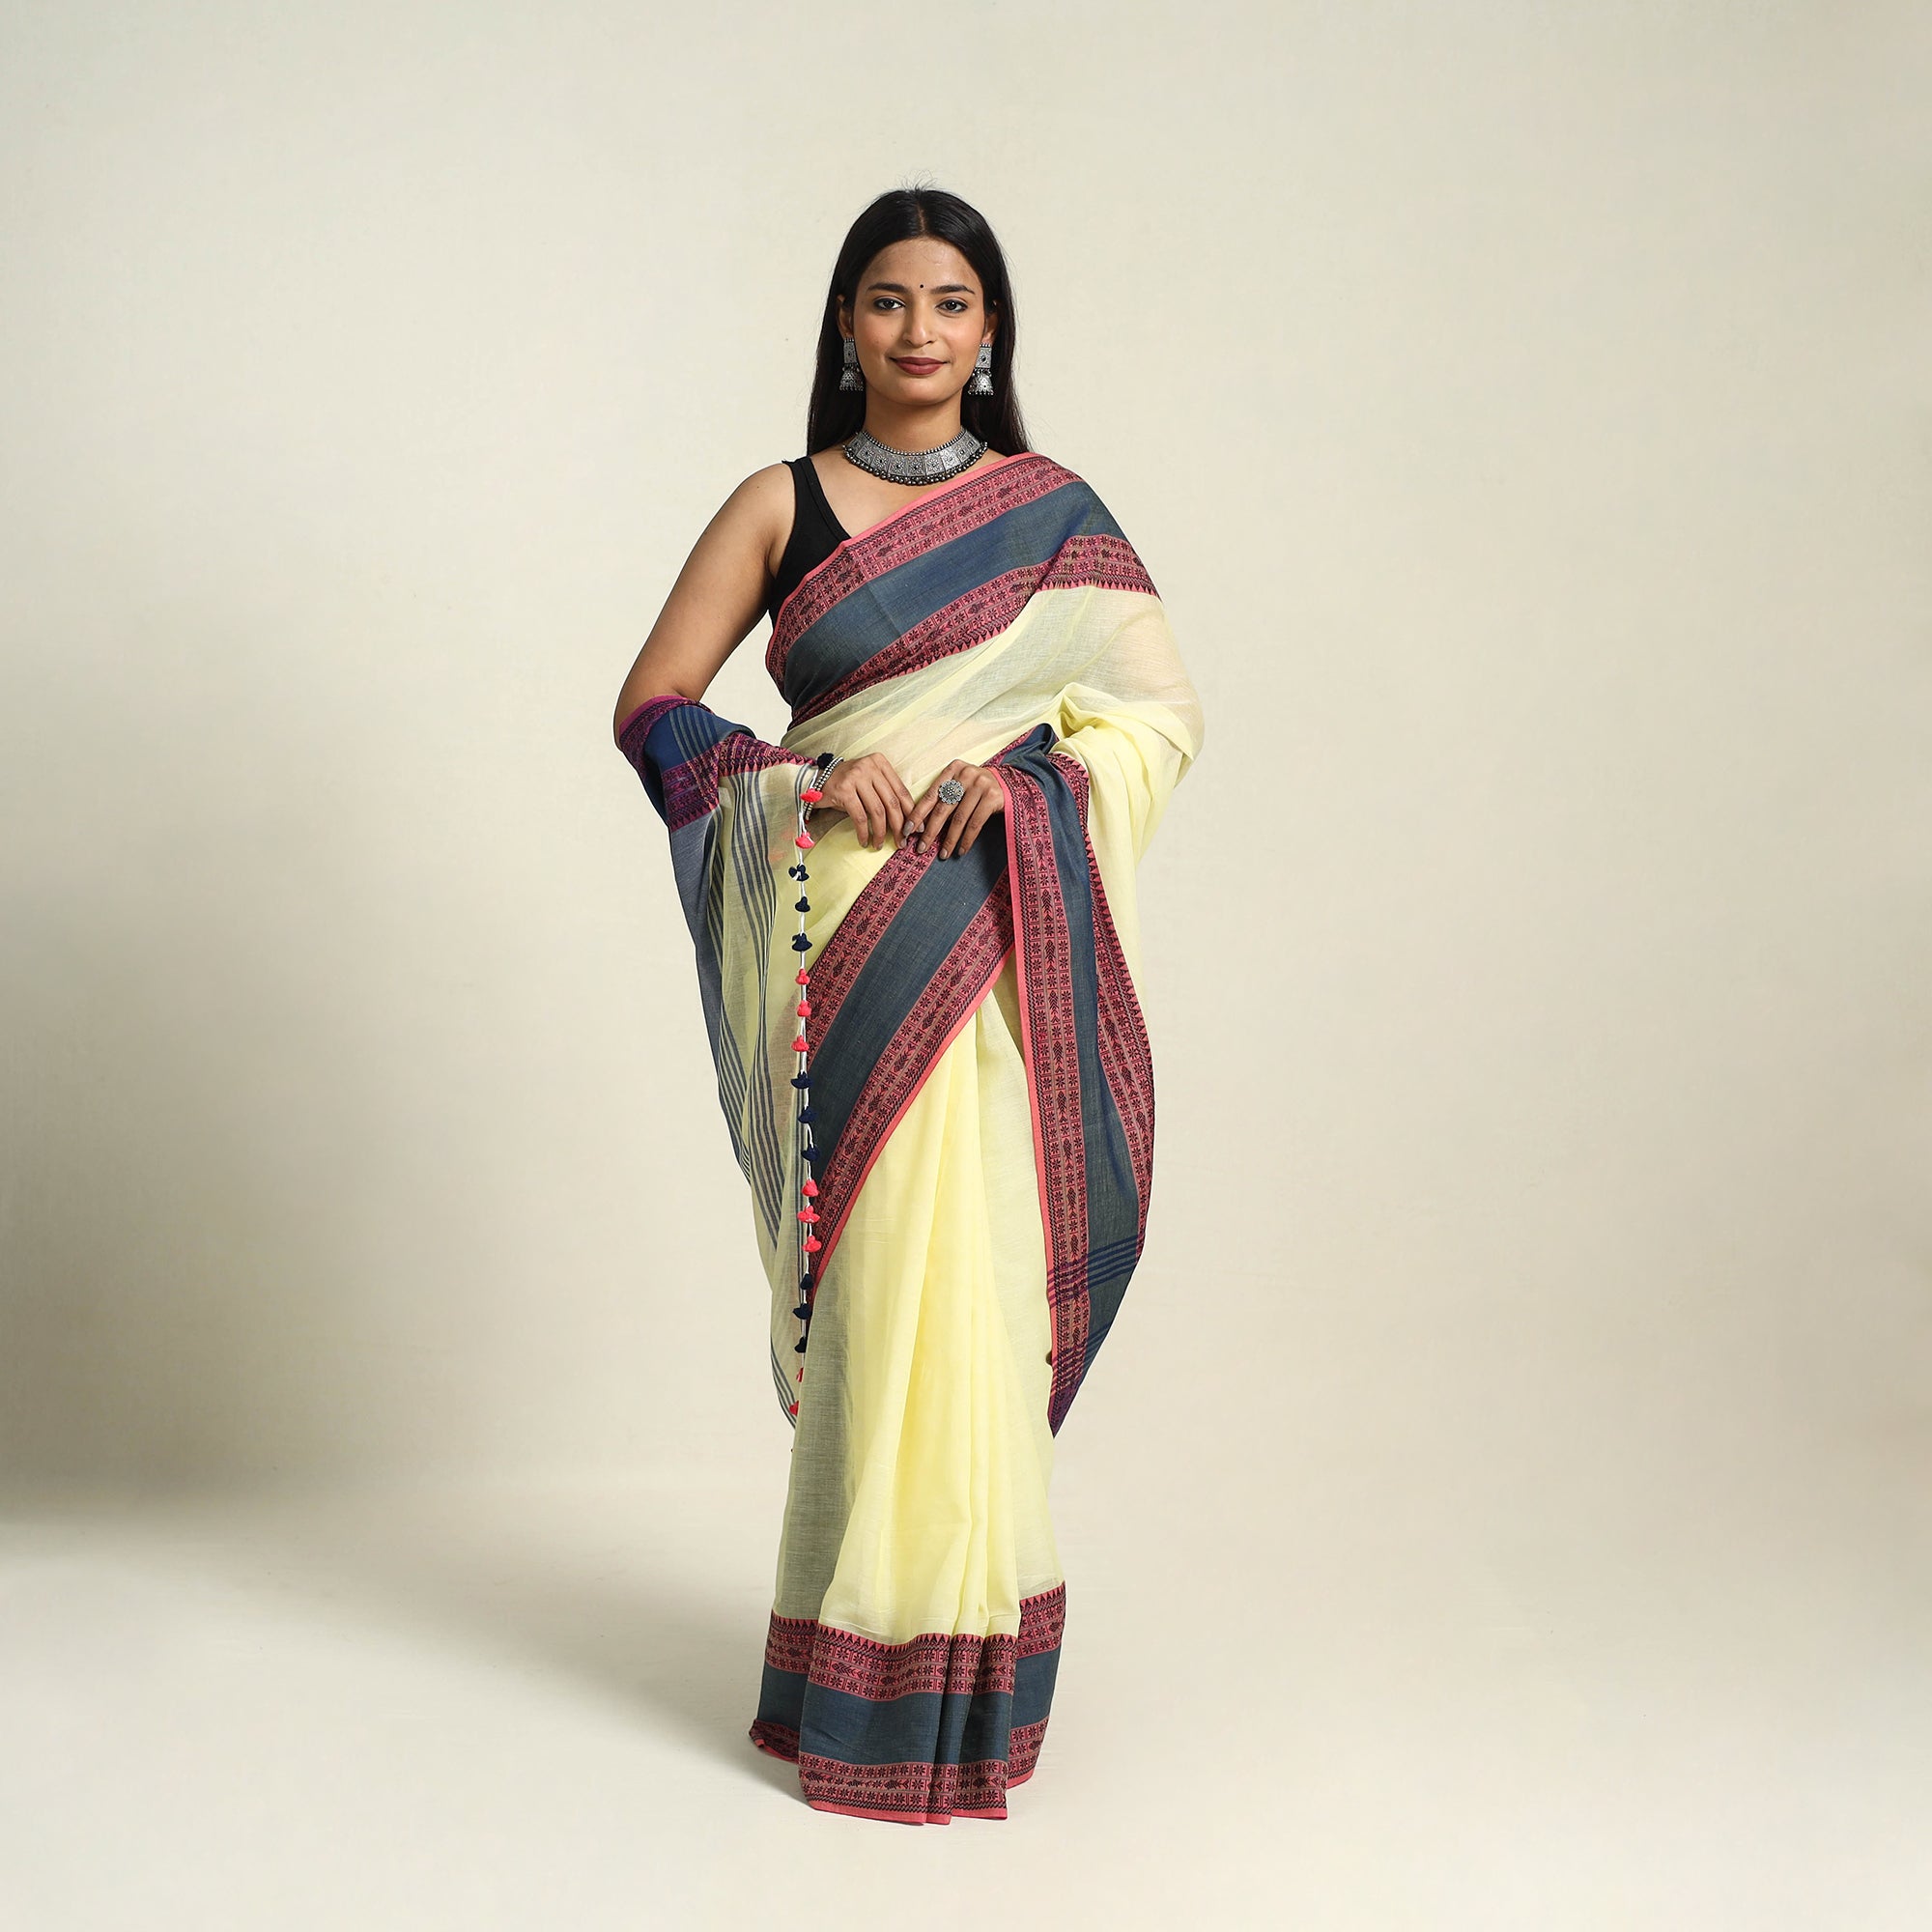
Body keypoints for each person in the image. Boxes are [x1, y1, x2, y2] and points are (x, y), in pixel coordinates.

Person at [611, 185, 1205, 1824]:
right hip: (846, 944)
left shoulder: (1056, 516)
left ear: (990, 328)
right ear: (846, 322)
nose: (920, 330)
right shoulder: (779, 503)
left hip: (997, 944)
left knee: (982, 1301)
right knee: (882, 1302)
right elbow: (653, 708)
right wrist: (801, 773)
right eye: (888, 300)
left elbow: (1158, 717)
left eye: (950, 303)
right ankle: (858, 1688)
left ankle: (967, 1695)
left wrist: (1019, 786)